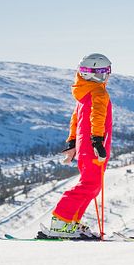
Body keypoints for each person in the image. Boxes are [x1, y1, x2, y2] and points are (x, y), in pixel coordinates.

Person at [39, 53, 113, 239]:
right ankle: (61, 220)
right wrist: (97, 141)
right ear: (95, 74)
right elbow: (96, 117)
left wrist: (72, 142)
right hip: (93, 146)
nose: (107, 75)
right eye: (105, 71)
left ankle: (71, 222)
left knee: (93, 186)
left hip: (86, 145)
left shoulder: (85, 93)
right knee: (89, 184)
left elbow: (75, 120)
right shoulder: (98, 92)